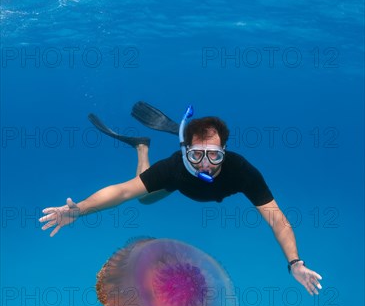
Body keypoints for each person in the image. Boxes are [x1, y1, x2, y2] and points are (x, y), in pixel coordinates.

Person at [39, 102, 322, 296]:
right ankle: (141, 147)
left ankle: (150, 142)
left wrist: (294, 263)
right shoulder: (175, 167)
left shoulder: (242, 171)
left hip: (206, 181)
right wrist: (80, 211)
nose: (205, 164)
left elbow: (277, 219)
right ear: (187, 152)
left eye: (214, 155)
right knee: (143, 199)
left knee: (146, 199)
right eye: (196, 154)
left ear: (225, 150)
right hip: (177, 183)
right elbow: (123, 191)